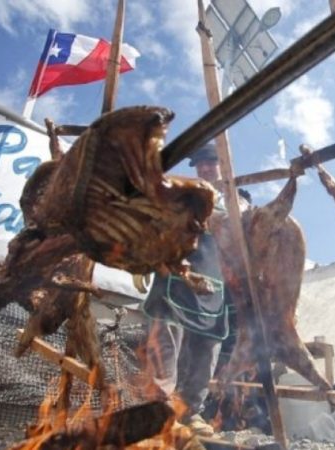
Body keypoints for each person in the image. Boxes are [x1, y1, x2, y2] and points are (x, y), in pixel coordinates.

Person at [141, 143, 233, 437]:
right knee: (166, 345)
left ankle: (191, 412)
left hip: (212, 284)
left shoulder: (234, 202)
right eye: (201, 164)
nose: (205, 168)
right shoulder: (181, 193)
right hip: (175, 279)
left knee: (206, 350)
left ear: (222, 165)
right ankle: (161, 414)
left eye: (211, 162)